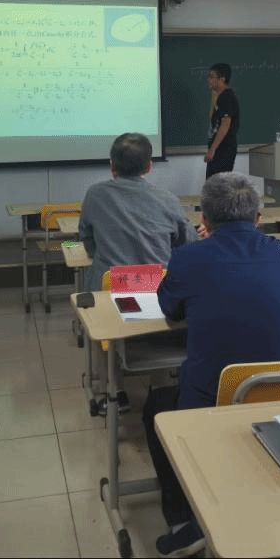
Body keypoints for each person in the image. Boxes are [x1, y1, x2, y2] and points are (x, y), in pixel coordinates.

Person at [144, 172, 280, 557]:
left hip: (212, 397)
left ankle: (186, 520)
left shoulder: (189, 257)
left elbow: (169, 308)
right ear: (258, 217)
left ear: (204, 219)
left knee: (156, 407)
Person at [79, 132, 198, 415]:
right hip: (157, 291)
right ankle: (161, 385)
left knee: (97, 300)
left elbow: (87, 241)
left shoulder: (95, 195)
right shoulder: (167, 199)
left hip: (111, 290)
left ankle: (114, 389)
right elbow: (187, 245)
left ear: (112, 165)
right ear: (149, 166)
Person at [204, 63, 240, 177]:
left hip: (223, 150)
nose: (209, 80)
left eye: (212, 77)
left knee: (218, 184)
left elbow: (225, 124)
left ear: (222, 79)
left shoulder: (226, 97)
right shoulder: (219, 97)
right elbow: (214, 120)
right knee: (212, 183)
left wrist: (212, 150)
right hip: (219, 150)